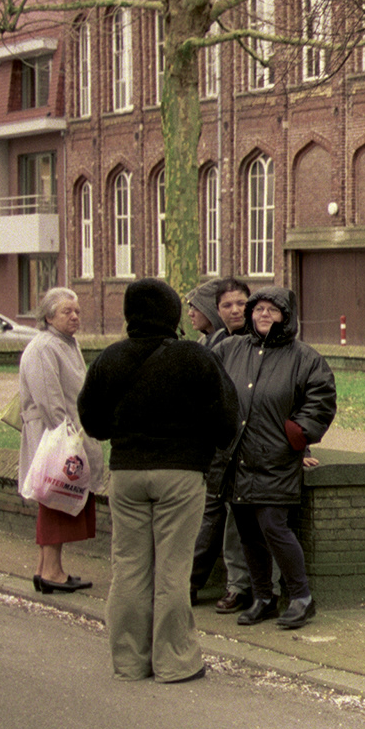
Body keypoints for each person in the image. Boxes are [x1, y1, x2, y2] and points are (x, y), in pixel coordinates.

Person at [78, 279, 238, 683]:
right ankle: (174, 661)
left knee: (129, 567)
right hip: (180, 474)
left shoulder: (110, 359)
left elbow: (93, 422)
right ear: (172, 314)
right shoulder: (194, 357)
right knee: (173, 568)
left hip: (127, 473)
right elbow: (226, 420)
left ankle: (130, 660)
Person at [215, 285, 336, 630]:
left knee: (273, 526)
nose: (264, 314)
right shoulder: (231, 349)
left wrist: (297, 433)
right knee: (248, 532)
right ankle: (263, 598)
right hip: (237, 457)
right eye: (258, 309)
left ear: (286, 316)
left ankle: (301, 598)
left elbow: (321, 398)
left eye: (272, 309)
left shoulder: (304, 358)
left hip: (275, 457)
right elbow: (208, 385)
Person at [17, 286, 103, 594]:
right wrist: (67, 440)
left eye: (77, 311)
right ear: (49, 316)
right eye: (67, 311)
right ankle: (52, 571)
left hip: (65, 433)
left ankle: (46, 569)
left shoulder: (66, 343)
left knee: (56, 499)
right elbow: (49, 400)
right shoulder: (44, 347)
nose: (75, 316)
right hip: (55, 438)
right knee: (56, 498)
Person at [186, 277, 255, 611]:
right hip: (219, 444)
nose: (235, 310)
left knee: (234, 517)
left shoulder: (257, 343)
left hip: (247, 444)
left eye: (241, 303)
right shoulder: (215, 344)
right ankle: (189, 582)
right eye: (227, 305)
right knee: (212, 511)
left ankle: (240, 586)